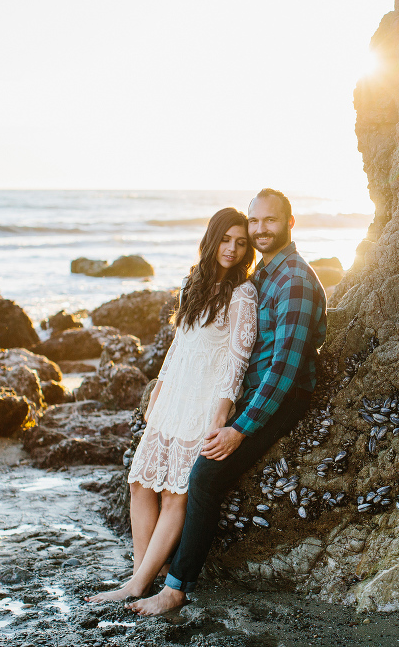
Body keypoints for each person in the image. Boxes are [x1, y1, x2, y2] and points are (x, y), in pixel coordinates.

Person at [127, 187, 327, 616]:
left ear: (290, 223)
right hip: (256, 393)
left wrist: (239, 428)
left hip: (281, 399)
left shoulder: (293, 280)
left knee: (202, 478)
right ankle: (143, 575)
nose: (258, 231)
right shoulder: (265, 275)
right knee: (161, 480)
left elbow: (284, 373)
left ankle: (175, 587)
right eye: (254, 222)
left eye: (268, 221)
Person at [86, 207, 258, 603]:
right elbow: (179, 343)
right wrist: (159, 387)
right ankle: (139, 576)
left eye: (240, 242)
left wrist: (220, 412)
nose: (231, 249)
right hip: (175, 395)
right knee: (140, 482)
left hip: (204, 403)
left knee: (175, 493)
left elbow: (238, 358)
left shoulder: (243, 294)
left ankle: (138, 584)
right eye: (226, 239)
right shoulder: (191, 284)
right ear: (212, 239)